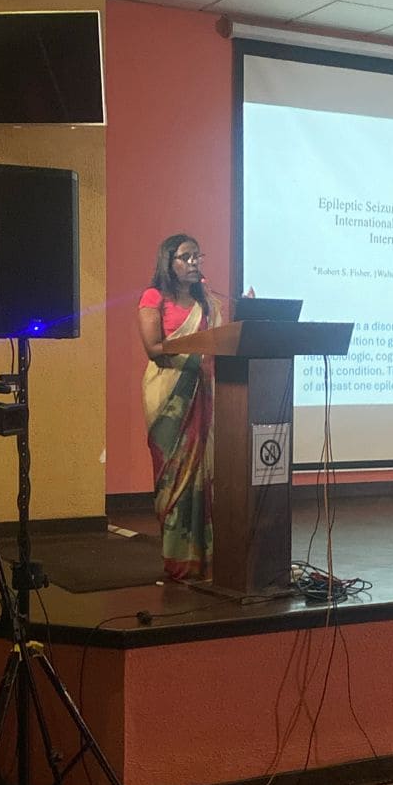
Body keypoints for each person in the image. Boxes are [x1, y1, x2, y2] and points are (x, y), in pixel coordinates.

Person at [138, 234, 223, 583]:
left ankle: (205, 558)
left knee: (203, 474)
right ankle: (177, 559)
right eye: (185, 257)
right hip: (168, 395)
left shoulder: (207, 303)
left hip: (203, 393)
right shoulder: (154, 297)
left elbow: (221, 343)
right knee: (173, 478)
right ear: (168, 261)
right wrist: (196, 355)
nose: (193, 263)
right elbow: (153, 348)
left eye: (197, 256)